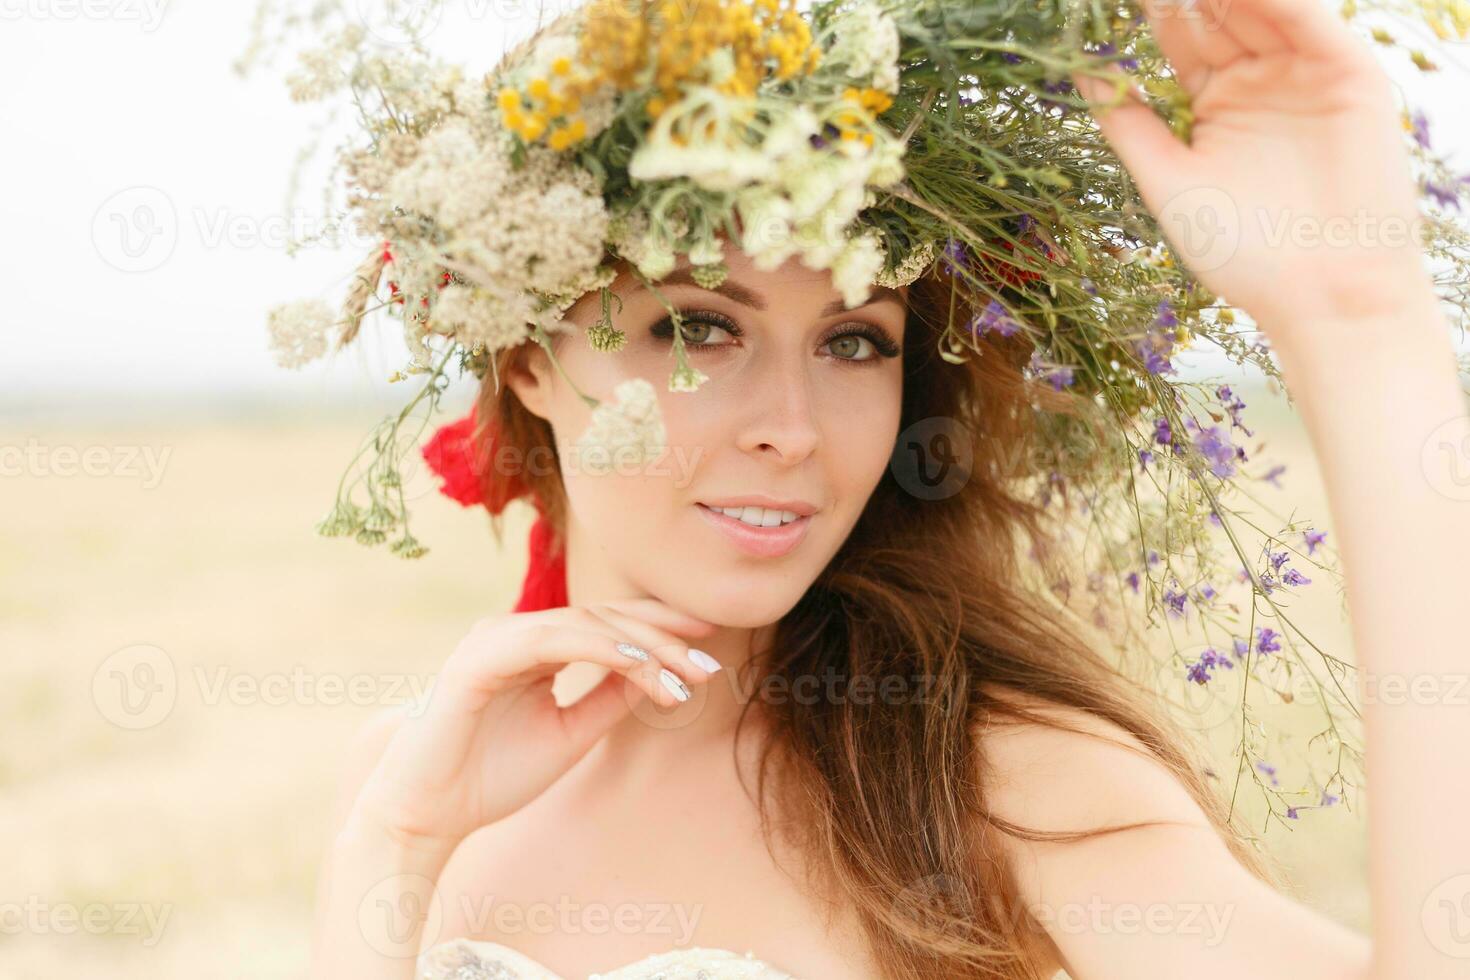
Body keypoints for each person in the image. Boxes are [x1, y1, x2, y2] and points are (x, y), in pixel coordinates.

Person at [294, 0, 1470, 978]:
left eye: (854, 341)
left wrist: (1362, 324)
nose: (793, 430)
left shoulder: (984, 776)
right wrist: (398, 844)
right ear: (528, 360)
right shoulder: (409, 779)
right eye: (698, 325)